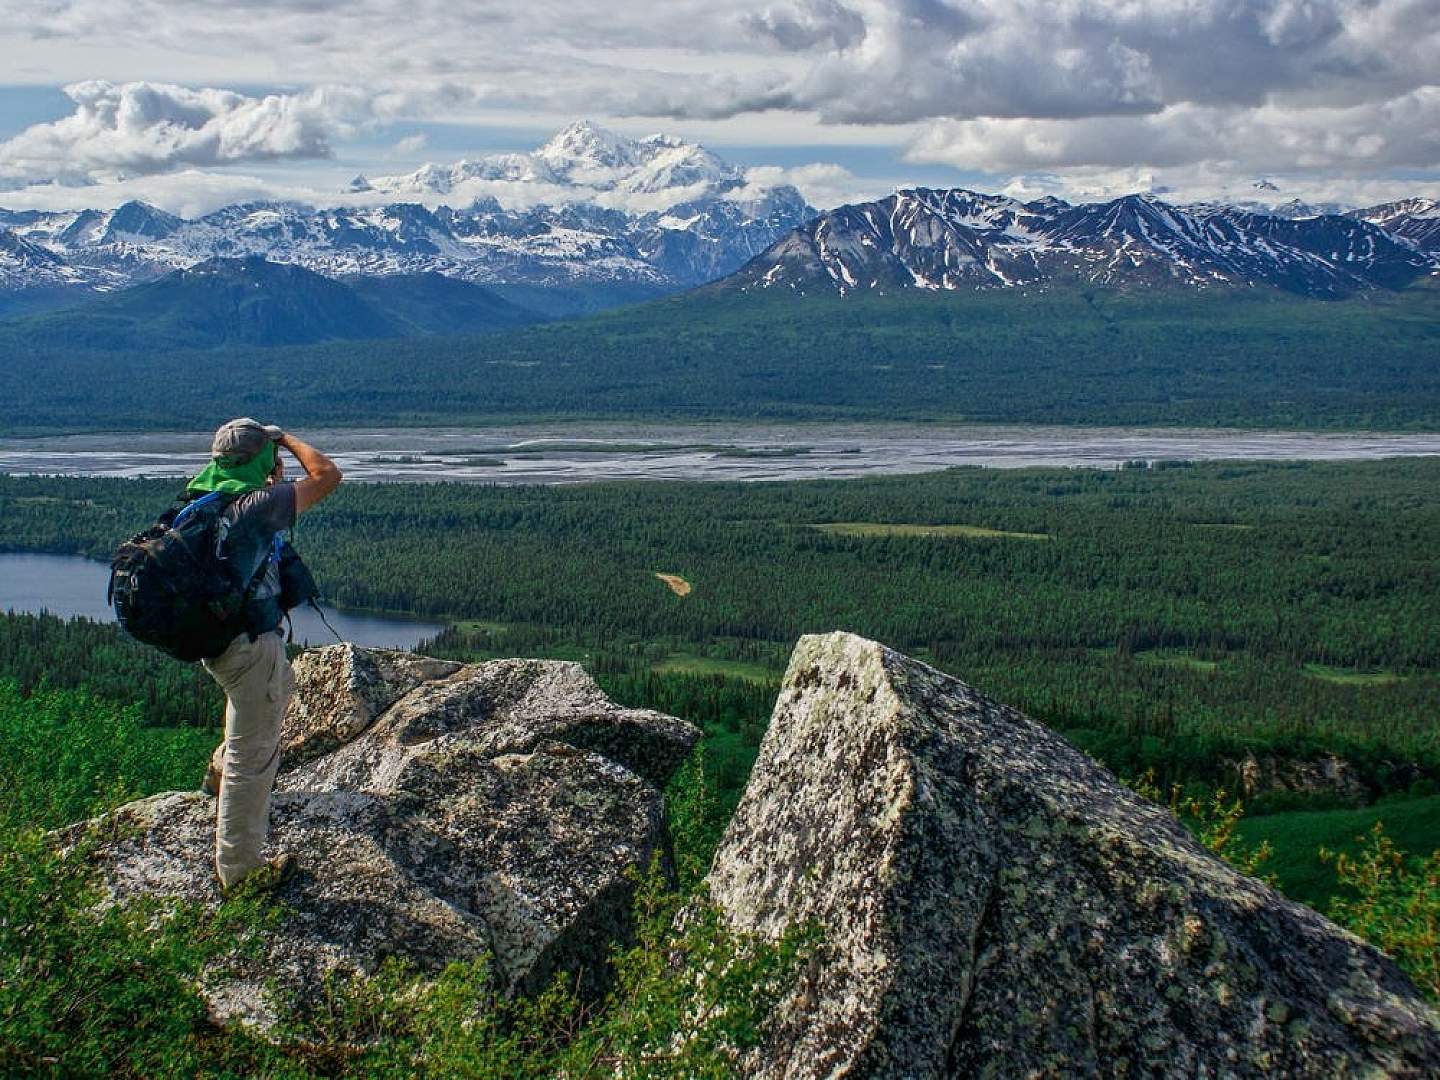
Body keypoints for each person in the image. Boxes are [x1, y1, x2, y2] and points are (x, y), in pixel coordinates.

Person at [190, 418, 342, 891]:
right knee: (252, 761)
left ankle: (218, 769)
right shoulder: (259, 504)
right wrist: (287, 439)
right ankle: (240, 874)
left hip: (214, 641)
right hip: (250, 644)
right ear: (264, 460)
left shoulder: (202, 498)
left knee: (273, 696)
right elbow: (327, 475)